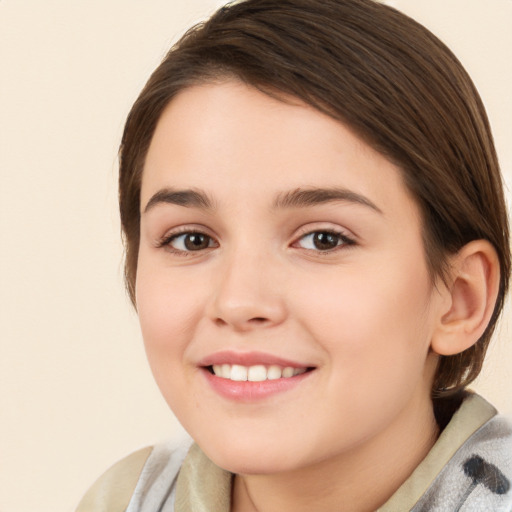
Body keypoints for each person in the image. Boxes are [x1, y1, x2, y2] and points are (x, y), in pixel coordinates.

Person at [76, 0, 511, 510]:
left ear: (460, 299)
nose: (238, 301)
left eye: (323, 239)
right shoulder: (125, 498)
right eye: (192, 239)